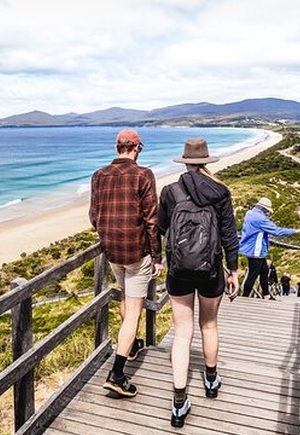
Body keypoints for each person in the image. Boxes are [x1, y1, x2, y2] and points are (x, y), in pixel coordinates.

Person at [157, 138, 239, 428]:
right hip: (211, 271)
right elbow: (229, 235)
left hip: (178, 271)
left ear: (185, 161)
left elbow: (160, 229)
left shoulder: (169, 191)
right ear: (206, 161)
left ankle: (179, 401)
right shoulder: (220, 191)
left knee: (182, 333)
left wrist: (159, 260)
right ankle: (211, 379)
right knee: (209, 325)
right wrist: (234, 271)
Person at [90, 129, 163, 398]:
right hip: (137, 253)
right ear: (137, 148)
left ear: (116, 147)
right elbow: (151, 222)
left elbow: (94, 217)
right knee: (133, 311)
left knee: (124, 300)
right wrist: (157, 257)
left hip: (112, 252)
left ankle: (130, 347)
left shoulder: (99, 175)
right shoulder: (144, 175)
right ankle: (117, 374)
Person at [238, 197, 300, 300]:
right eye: (267, 210)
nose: (268, 212)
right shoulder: (261, 219)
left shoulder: (249, 213)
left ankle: (267, 295)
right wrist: (294, 231)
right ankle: (244, 297)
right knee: (252, 275)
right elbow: (276, 231)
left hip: (249, 248)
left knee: (264, 271)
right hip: (256, 250)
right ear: (264, 209)